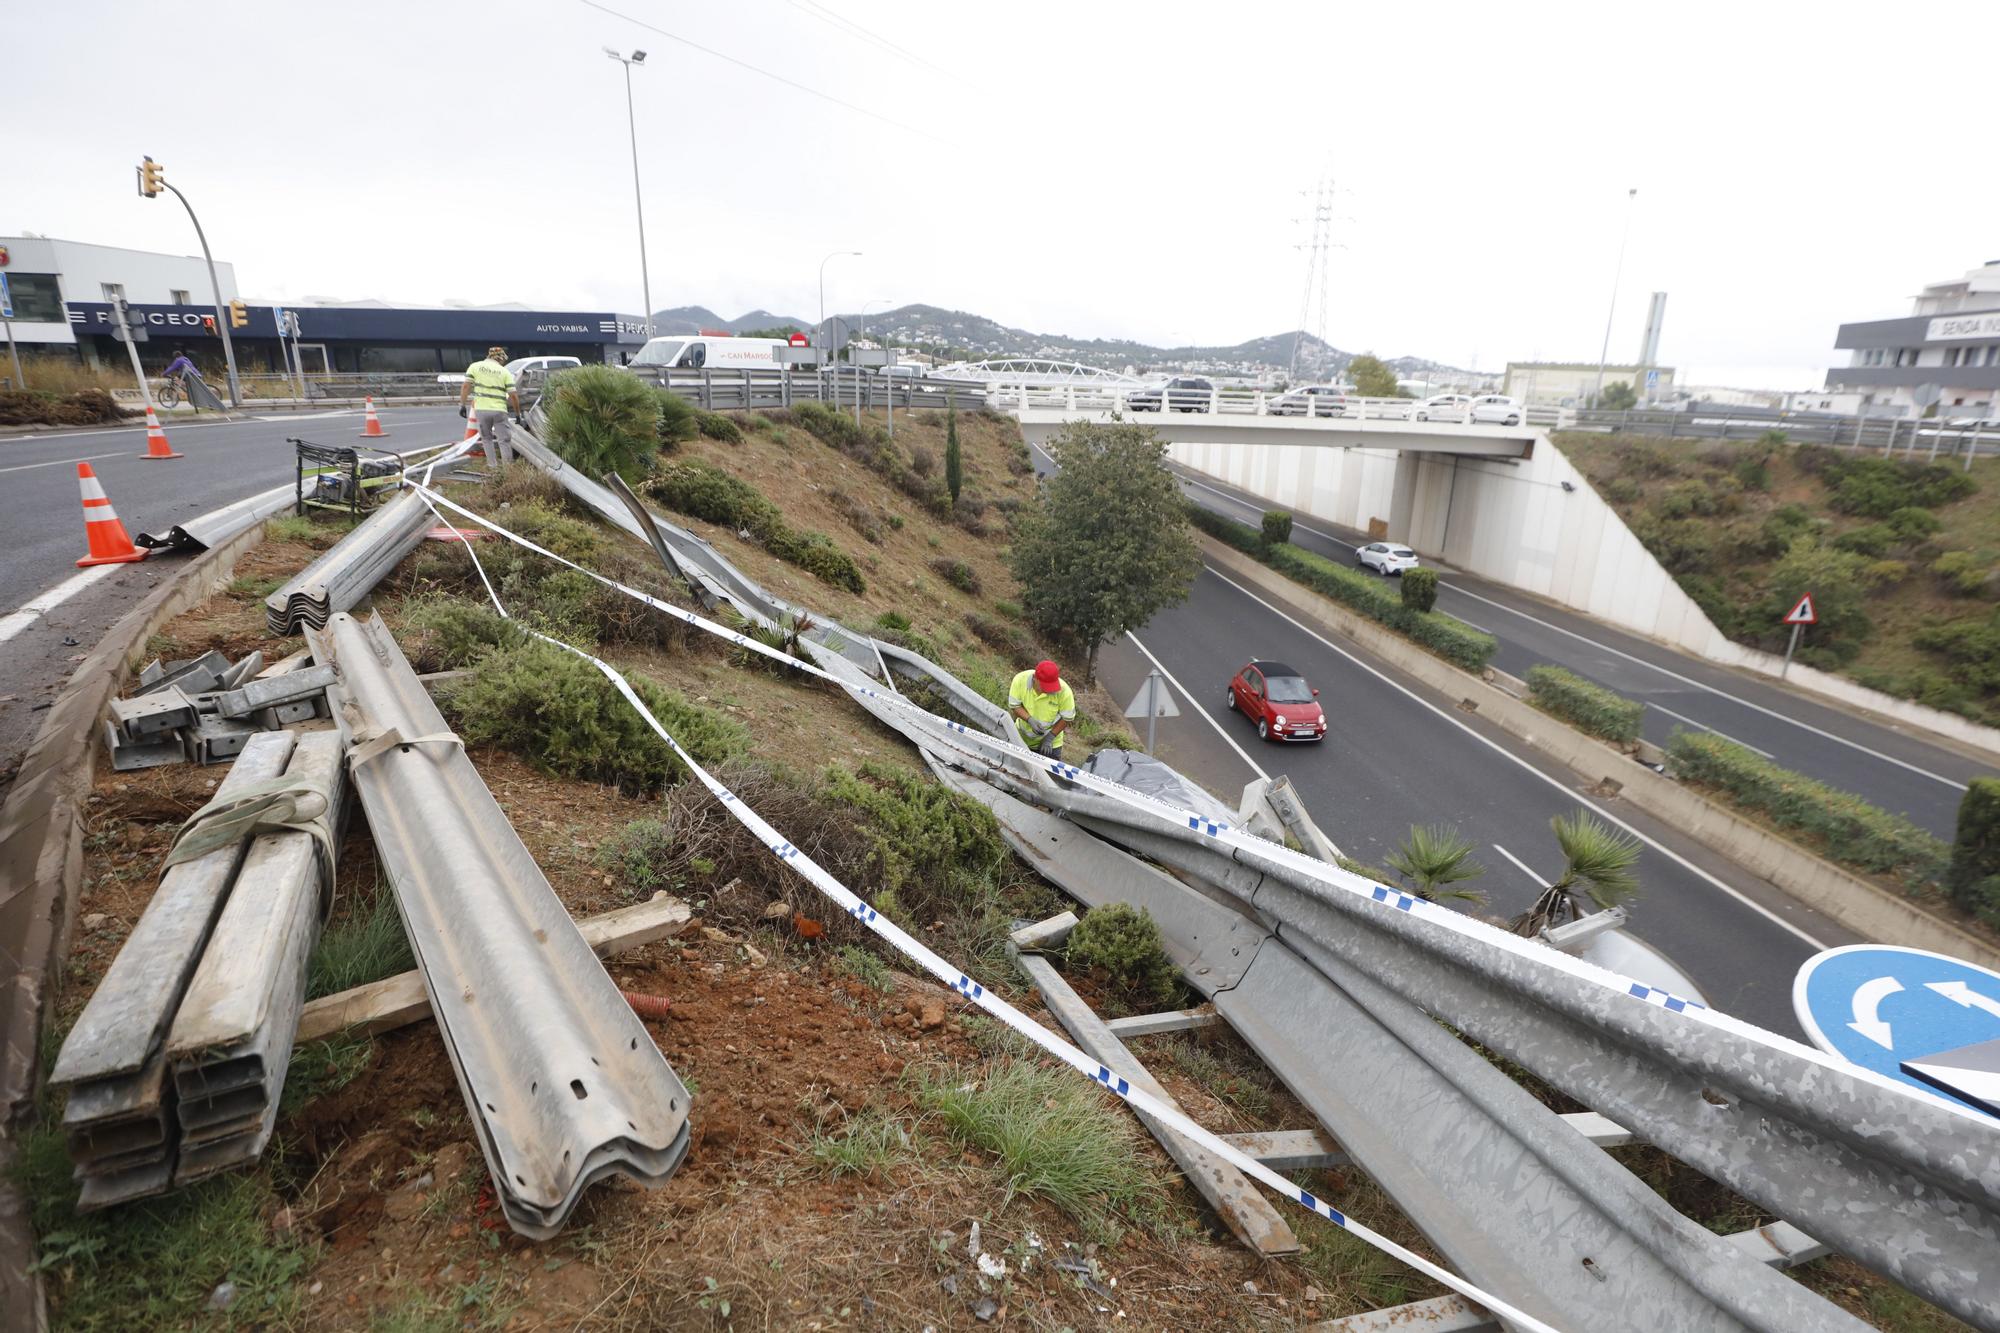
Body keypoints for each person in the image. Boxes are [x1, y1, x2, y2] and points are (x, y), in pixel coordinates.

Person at [458, 346, 520, 464]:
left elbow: (466, 386)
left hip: (481, 409)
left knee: (486, 439)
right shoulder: (504, 372)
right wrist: (517, 414)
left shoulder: (475, 366)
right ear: (500, 359)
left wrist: (462, 405)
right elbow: (513, 395)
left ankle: (493, 467)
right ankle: (507, 470)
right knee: (504, 440)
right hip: (499, 411)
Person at [1008, 659, 1076, 759]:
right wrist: (1029, 720)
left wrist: (1050, 737)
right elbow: (1014, 706)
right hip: (1020, 738)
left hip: (1051, 744)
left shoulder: (1064, 691)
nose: (1049, 691)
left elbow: (1067, 718)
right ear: (1035, 678)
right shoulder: (1020, 680)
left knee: (1047, 774)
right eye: (1045, 686)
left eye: (1052, 686)